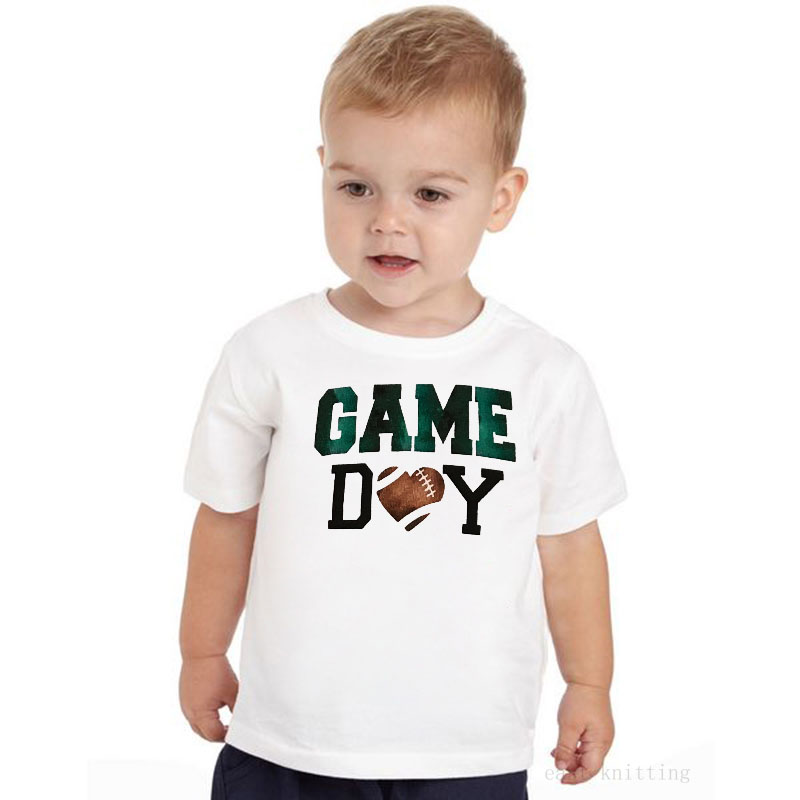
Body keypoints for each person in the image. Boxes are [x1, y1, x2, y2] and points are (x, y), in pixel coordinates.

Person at [179, 6, 628, 799]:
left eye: (430, 193)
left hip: (467, 749)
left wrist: (588, 682)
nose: (388, 221)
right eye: (356, 186)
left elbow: (568, 544)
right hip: (291, 739)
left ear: (501, 198)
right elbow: (227, 516)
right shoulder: (270, 352)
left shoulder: (542, 373)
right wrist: (202, 651)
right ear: (322, 170)